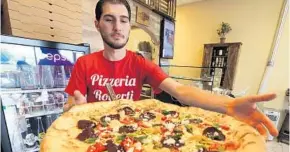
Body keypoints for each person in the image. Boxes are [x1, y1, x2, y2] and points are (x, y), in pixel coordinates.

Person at [64, 0, 278, 137]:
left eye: (123, 20)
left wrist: (229, 105)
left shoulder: (139, 63)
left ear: (130, 25)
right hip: (93, 139)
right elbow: (70, 107)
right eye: (109, 19)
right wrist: (74, 108)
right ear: (97, 24)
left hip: (127, 136)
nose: (117, 27)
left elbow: (181, 91)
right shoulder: (84, 63)